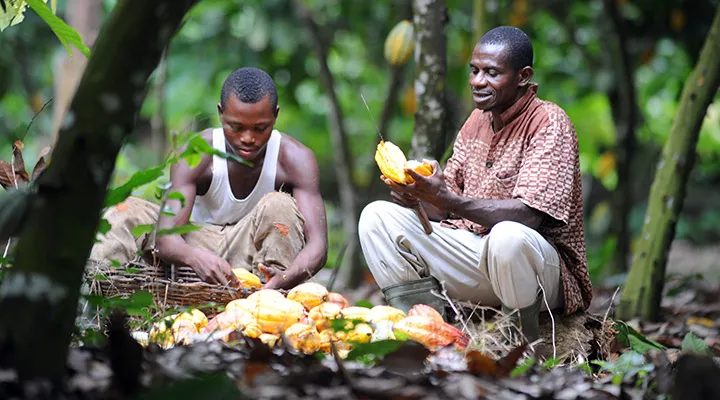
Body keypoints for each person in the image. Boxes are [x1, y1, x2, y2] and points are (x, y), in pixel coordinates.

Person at [358, 26, 592, 344]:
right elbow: (445, 204)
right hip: (477, 255)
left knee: (508, 236)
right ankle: (424, 333)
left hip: (542, 273)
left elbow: (528, 217)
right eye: (474, 70)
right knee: (376, 217)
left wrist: (449, 200)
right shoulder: (476, 121)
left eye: (492, 73)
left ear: (523, 76)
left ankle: (518, 346)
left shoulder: (549, 123)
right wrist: (417, 194)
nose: (478, 81)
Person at [90, 67, 328, 290]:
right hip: (196, 246)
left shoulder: (295, 159)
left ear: (275, 116)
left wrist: (282, 280)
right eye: (236, 127)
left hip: (254, 256)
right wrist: (195, 257)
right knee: (125, 210)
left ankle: (270, 309)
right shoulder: (198, 153)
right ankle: (98, 305)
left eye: (260, 128)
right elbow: (167, 237)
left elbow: (318, 246)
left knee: (280, 205)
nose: (248, 138)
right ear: (220, 113)